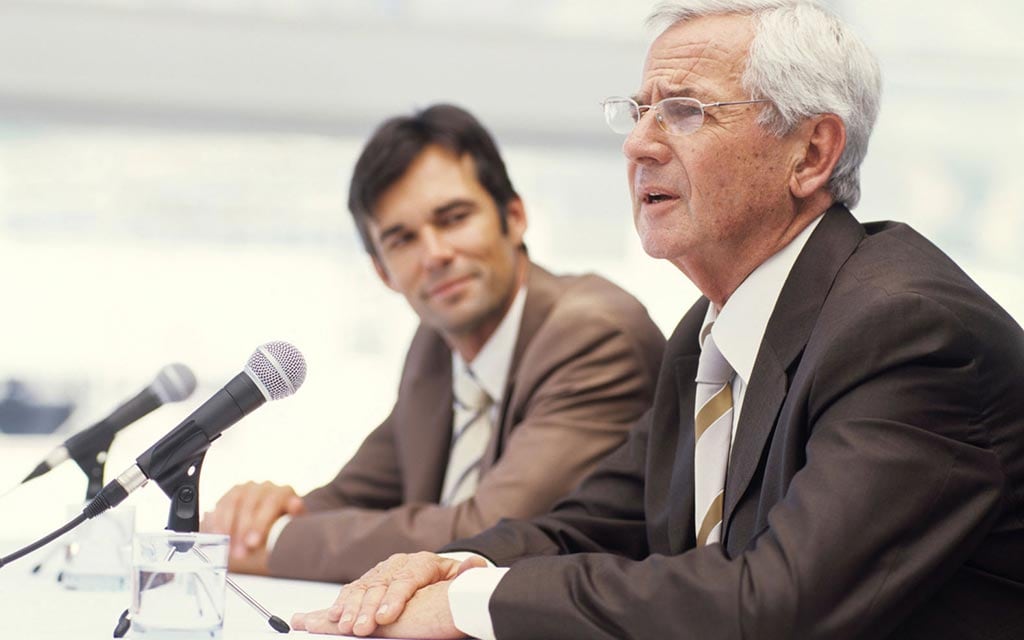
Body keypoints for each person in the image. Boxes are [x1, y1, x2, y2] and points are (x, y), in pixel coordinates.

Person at [291, 2, 1024, 638]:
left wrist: (473, 602)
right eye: (638, 111)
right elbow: (597, 523)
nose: (638, 144)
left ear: (812, 152)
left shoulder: (908, 331)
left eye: (684, 111)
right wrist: (452, 565)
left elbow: (774, 607)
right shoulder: (709, 334)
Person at [200, 104, 666, 583]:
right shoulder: (435, 346)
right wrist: (259, 518)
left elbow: (487, 533)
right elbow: (350, 497)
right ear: (383, 272)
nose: (436, 255)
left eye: (454, 218)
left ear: (515, 216)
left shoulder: (595, 334)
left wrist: (271, 545)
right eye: (402, 240)